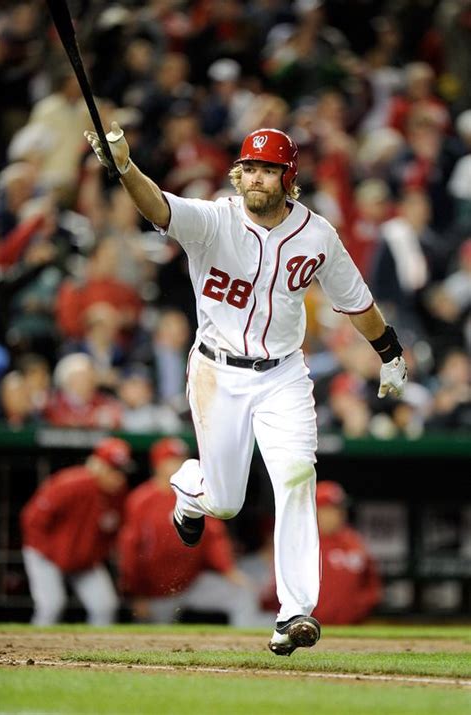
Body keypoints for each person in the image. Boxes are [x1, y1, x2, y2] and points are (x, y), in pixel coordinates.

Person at [85, 121, 408, 656]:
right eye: (250, 168)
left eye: (269, 169)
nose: (257, 178)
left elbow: (357, 301)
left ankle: (295, 611)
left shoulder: (317, 234)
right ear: (239, 173)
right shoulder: (215, 219)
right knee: (227, 501)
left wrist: (390, 351)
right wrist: (123, 167)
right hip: (217, 372)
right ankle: (191, 492)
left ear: (289, 177)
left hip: (284, 375)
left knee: (296, 477)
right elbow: (157, 207)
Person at [118, 437, 260, 625]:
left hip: (192, 583)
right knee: (154, 644)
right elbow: (129, 549)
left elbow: (214, 536)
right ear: (158, 464)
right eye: (172, 460)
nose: (179, 465)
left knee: (242, 595)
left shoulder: (196, 493)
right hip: (155, 592)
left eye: (182, 459)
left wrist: (227, 569)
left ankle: (247, 650)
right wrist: (135, 594)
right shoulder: (141, 500)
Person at [20, 437, 131, 625]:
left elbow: (113, 533)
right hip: (46, 556)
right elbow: (32, 520)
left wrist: (90, 555)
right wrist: (54, 552)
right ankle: (33, 653)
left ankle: (98, 652)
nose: (118, 477)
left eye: (120, 471)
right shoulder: (70, 483)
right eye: (113, 470)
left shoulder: (118, 494)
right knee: (51, 605)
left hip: (83, 562)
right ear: (97, 466)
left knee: (104, 606)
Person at [313, 481, 383, 624]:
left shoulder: (354, 542)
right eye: (328, 509)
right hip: (310, 628)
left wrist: (359, 609)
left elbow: (372, 585)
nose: (336, 514)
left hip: (352, 627)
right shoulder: (303, 544)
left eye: (338, 509)